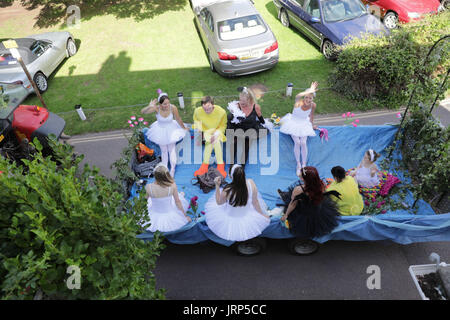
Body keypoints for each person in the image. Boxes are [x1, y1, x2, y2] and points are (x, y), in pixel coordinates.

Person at [204, 164, 271, 242]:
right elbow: (255, 202)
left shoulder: (227, 190)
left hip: (230, 216)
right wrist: (261, 215)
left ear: (230, 176)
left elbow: (219, 202)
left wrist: (217, 186)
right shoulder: (251, 183)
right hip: (246, 215)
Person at [277, 166, 340, 239]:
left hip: (304, 211)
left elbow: (293, 204)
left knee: (291, 198)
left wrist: (286, 215)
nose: (299, 175)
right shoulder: (322, 184)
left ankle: (285, 195)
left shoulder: (298, 189)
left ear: (304, 179)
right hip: (317, 210)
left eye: (301, 175)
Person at [141, 89, 188, 177]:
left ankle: (173, 169)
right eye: (165, 104)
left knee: (172, 149)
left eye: (168, 103)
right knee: (164, 151)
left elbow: (178, 119)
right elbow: (143, 112)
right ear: (160, 104)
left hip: (171, 129)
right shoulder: (157, 108)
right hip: (160, 130)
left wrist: (184, 127)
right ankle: (165, 168)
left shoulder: (173, 107)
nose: (167, 105)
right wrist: (149, 106)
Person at [280, 81, 319, 176]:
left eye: (310, 98)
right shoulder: (299, 102)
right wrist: (310, 90)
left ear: (312, 99)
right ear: (304, 96)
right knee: (297, 142)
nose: (308, 99)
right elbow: (297, 95)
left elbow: (311, 116)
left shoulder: (313, 105)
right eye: (306, 97)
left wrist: (311, 125)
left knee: (303, 142)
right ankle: (298, 164)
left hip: (304, 123)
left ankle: (304, 165)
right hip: (293, 122)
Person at [226, 85, 269, 167]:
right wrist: (232, 114)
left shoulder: (255, 107)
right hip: (237, 128)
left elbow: (260, 118)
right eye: (240, 100)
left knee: (246, 146)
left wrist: (265, 124)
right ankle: (231, 164)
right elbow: (230, 119)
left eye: (243, 101)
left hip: (250, 128)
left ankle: (242, 167)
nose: (241, 102)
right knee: (233, 143)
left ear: (249, 100)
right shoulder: (236, 106)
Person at [144, 164, 191, 233]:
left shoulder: (148, 187)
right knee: (177, 197)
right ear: (166, 175)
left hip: (154, 211)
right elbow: (177, 202)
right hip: (169, 211)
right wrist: (184, 216)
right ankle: (180, 194)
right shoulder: (172, 186)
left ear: (155, 176)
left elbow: (144, 202)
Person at [192, 96, 228, 178]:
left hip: (217, 130)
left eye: (209, 108)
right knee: (210, 142)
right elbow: (196, 120)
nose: (206, 111)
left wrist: (216, 134)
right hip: (207, 131)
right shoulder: (197, 111)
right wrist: (199, 128)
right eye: (204, 109)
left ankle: (206, 165)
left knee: (215, 141)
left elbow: (223, 125)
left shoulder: (221, 112)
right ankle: (220, 165)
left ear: (213, 105)